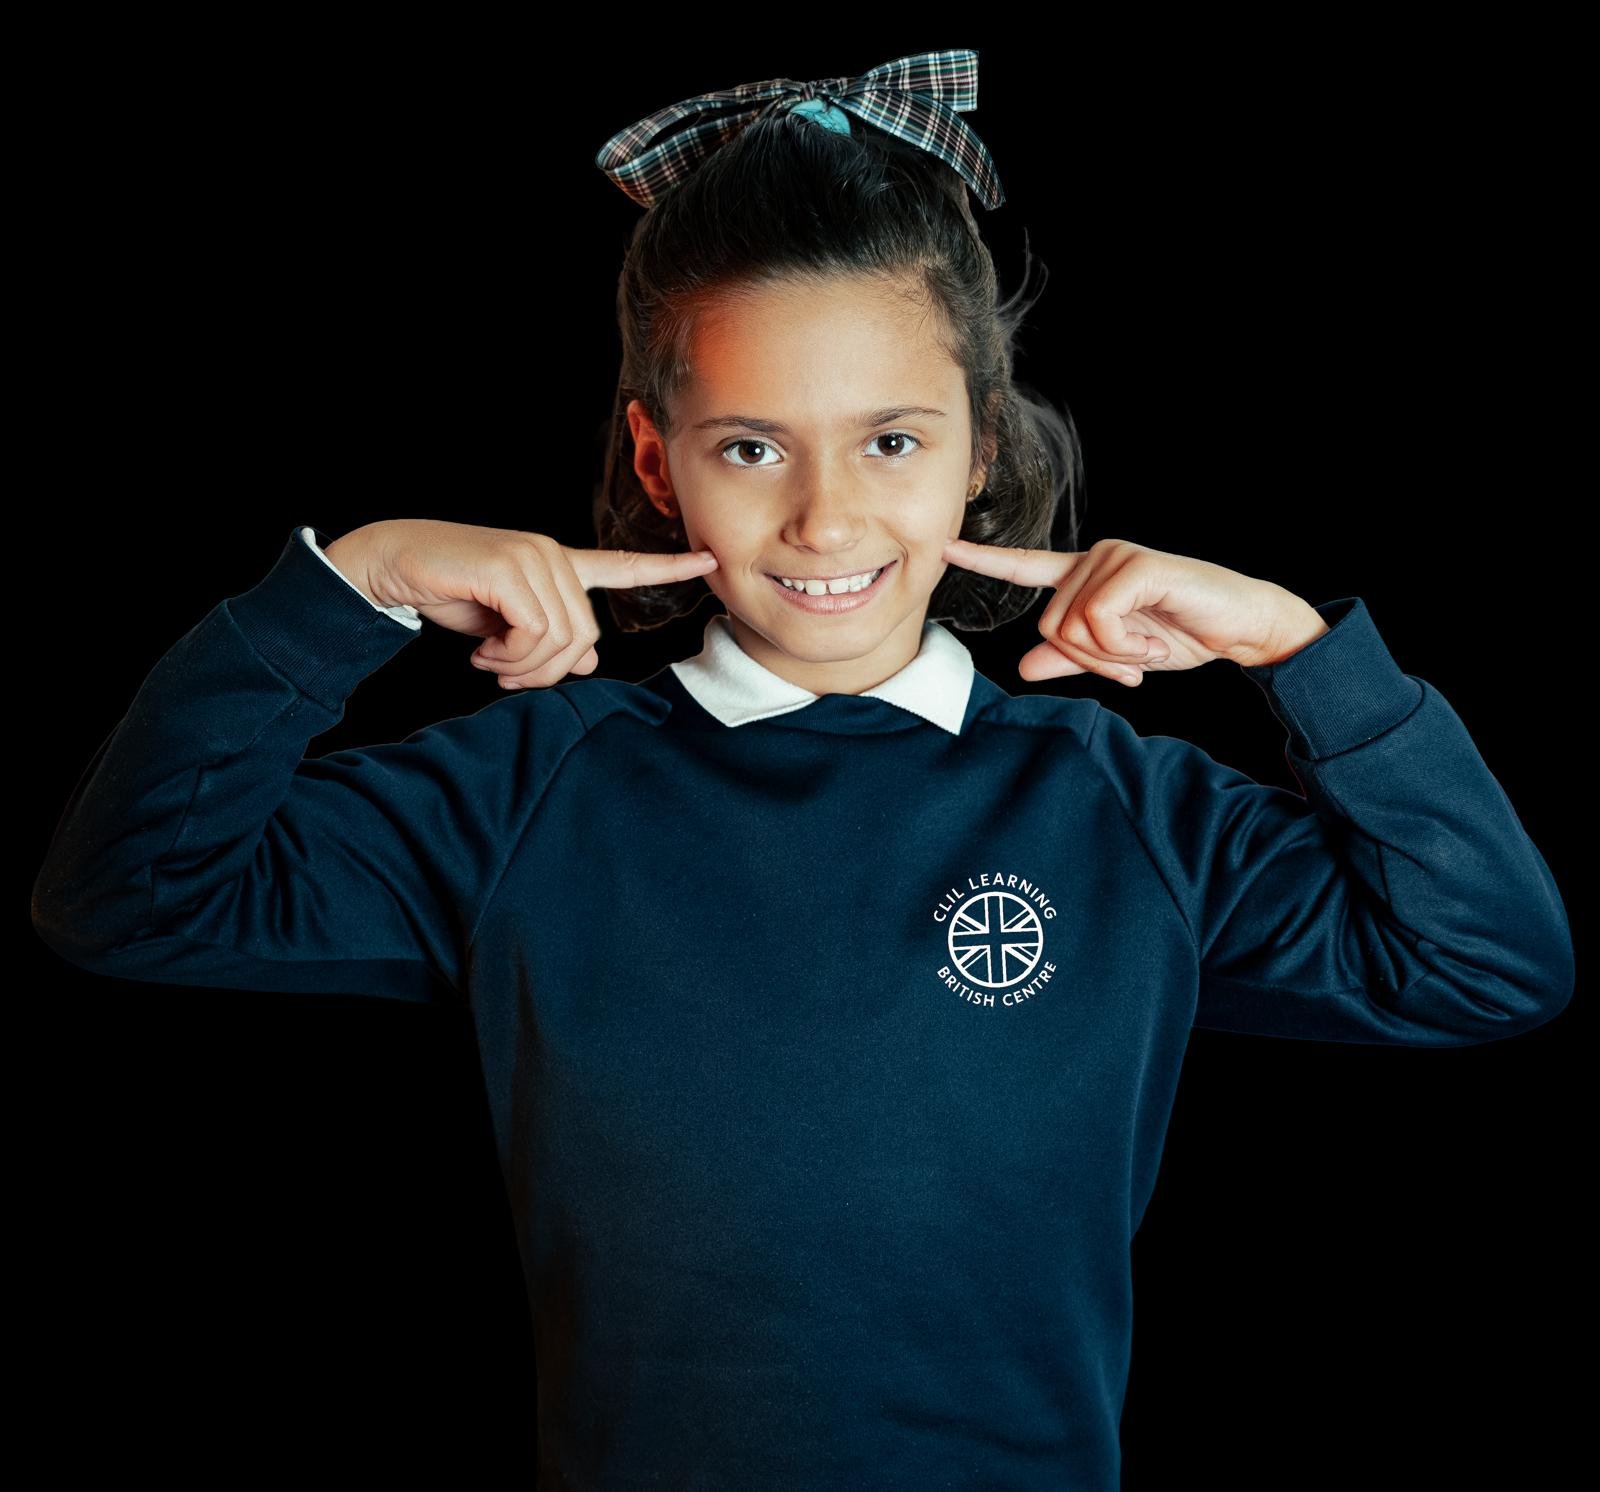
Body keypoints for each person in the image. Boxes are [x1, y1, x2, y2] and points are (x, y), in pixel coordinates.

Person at [29, 48, 1574, 1490]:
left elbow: (1485, 962)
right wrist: (348, 583)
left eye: (892, 442)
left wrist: (1302, 653)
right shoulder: (525, 795)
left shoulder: (1124, 808)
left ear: (981, 445)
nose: (826, 522)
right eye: (752, 447)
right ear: (658, 460)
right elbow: (126, 898)